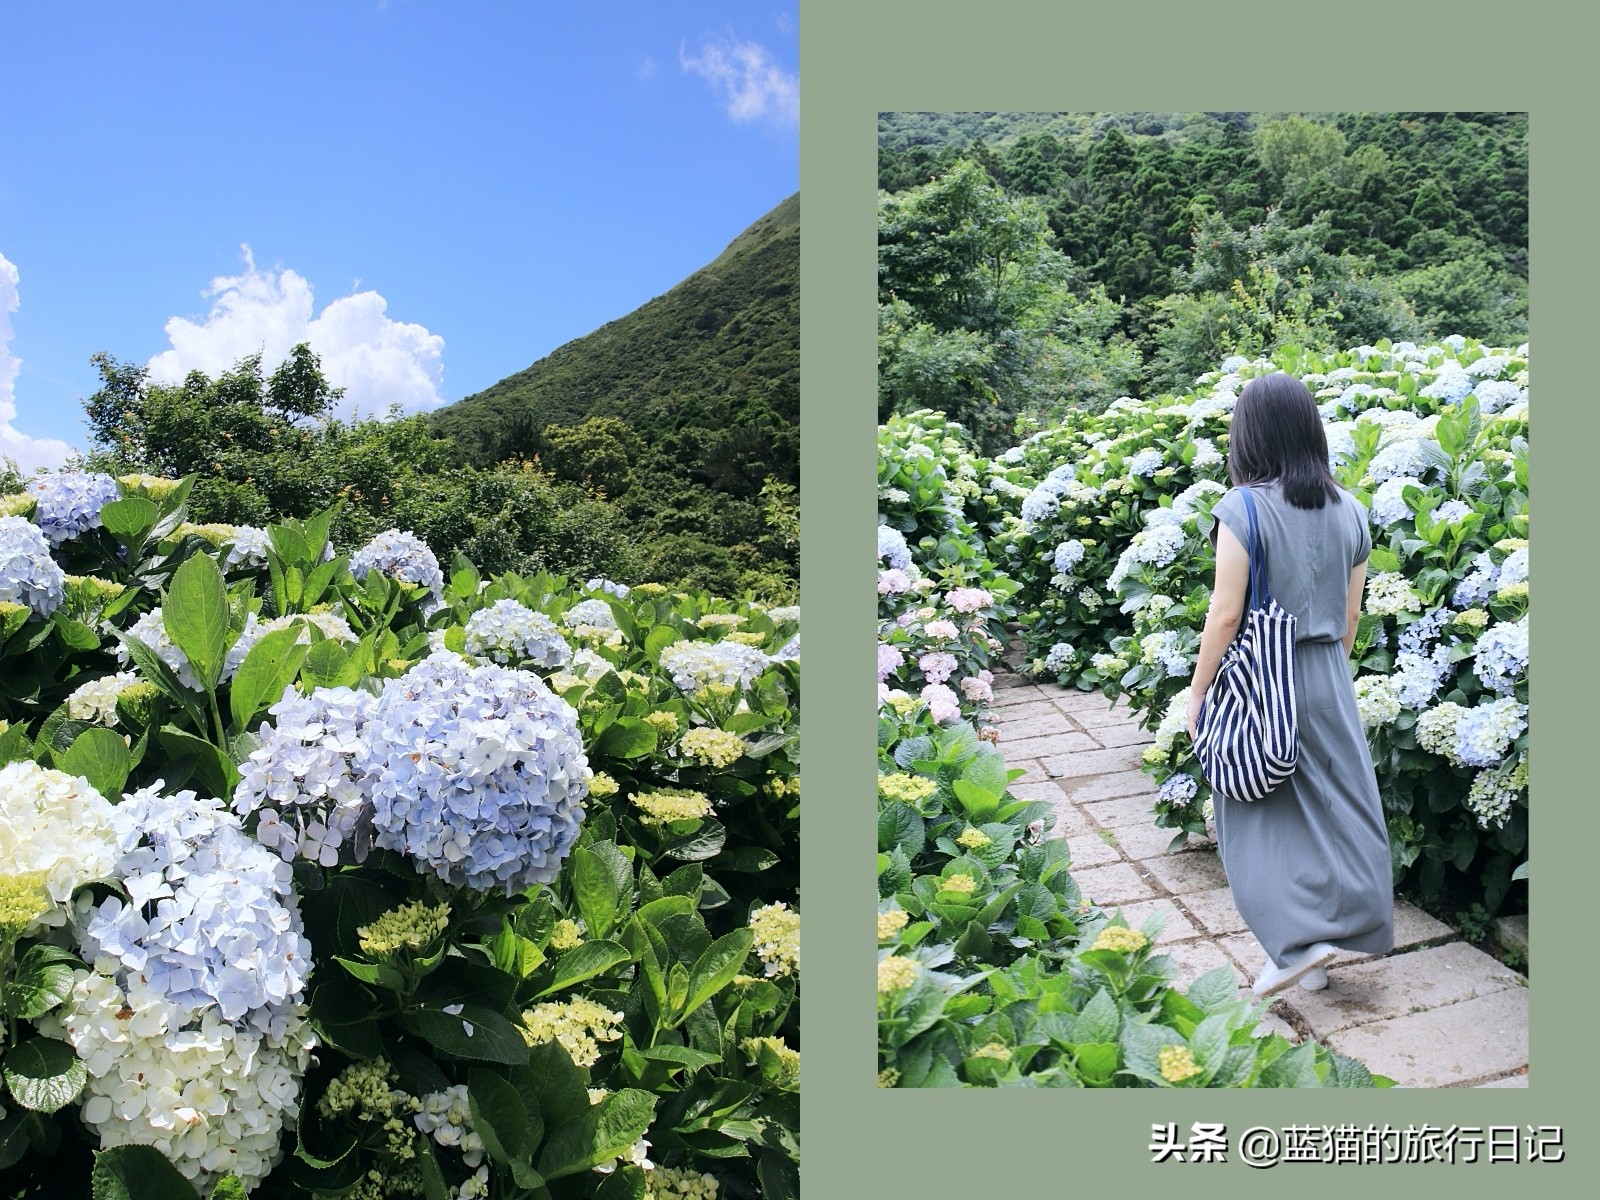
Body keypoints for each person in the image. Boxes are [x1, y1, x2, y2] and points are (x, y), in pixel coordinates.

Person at [1185, 372, 1394, 997]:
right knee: (1340, 810)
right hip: (1328, 672)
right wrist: (1326, 676)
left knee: (1255, 813)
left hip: (1261, 676)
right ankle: (1321, 951)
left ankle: (1296, 944)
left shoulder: (1242, 508)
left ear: (1248, 435)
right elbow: (1351, 614)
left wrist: (1199, 692)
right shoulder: (1351, 510)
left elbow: (1226, 614)